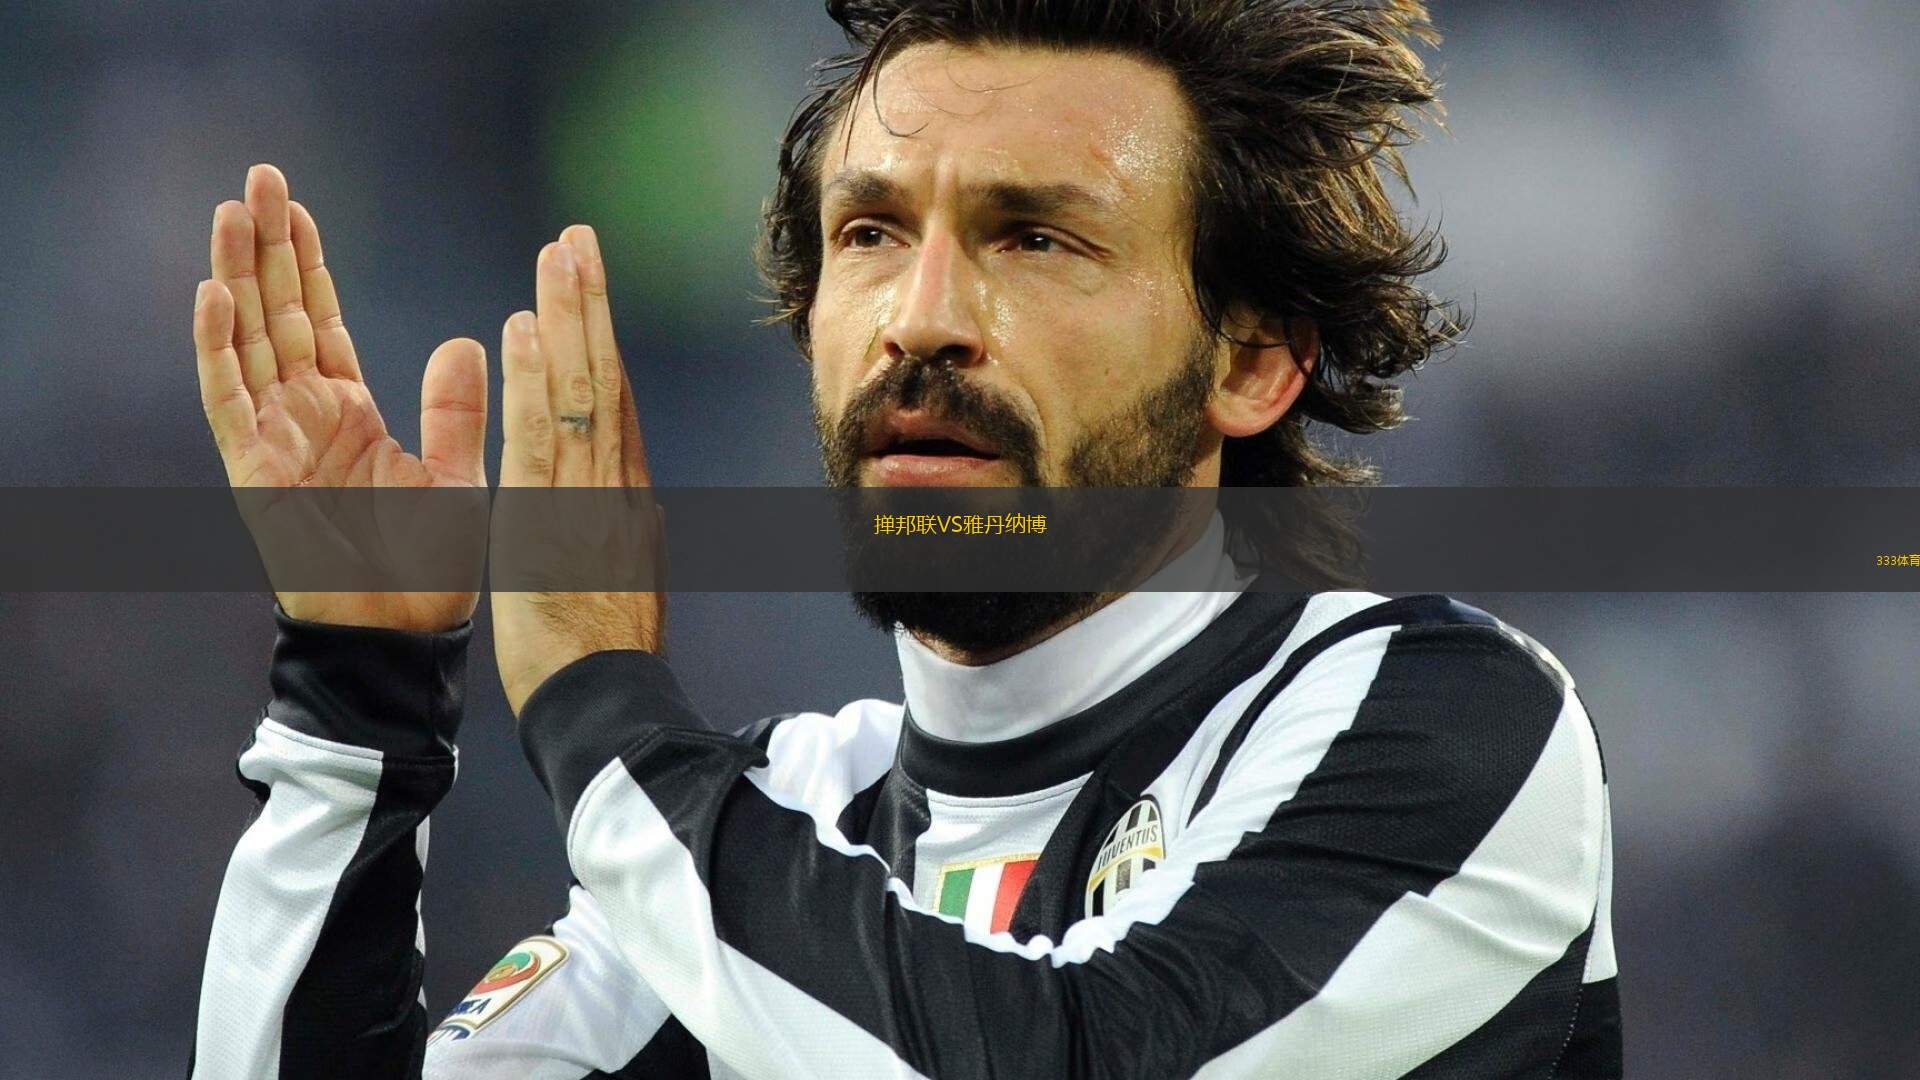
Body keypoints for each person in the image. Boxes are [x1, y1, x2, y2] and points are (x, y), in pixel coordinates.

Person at [188, 2, 1619, 1076]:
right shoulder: (770, 820)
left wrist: (597, 703)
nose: (921, 318)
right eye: (870, 233)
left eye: (1035, 238)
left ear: (1250, 360)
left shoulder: (1442, 724)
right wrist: (357, 697)